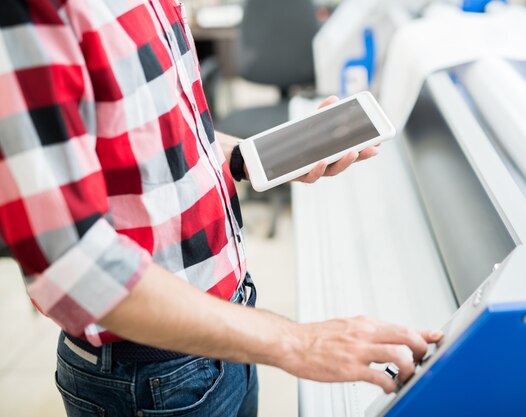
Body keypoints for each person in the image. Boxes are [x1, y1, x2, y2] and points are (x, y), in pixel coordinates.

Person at [0, 1, 442, 416]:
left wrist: (251, 158)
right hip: (149, 376)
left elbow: (154, 138)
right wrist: (298, 342)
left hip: (224, 333)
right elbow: (72, 268)